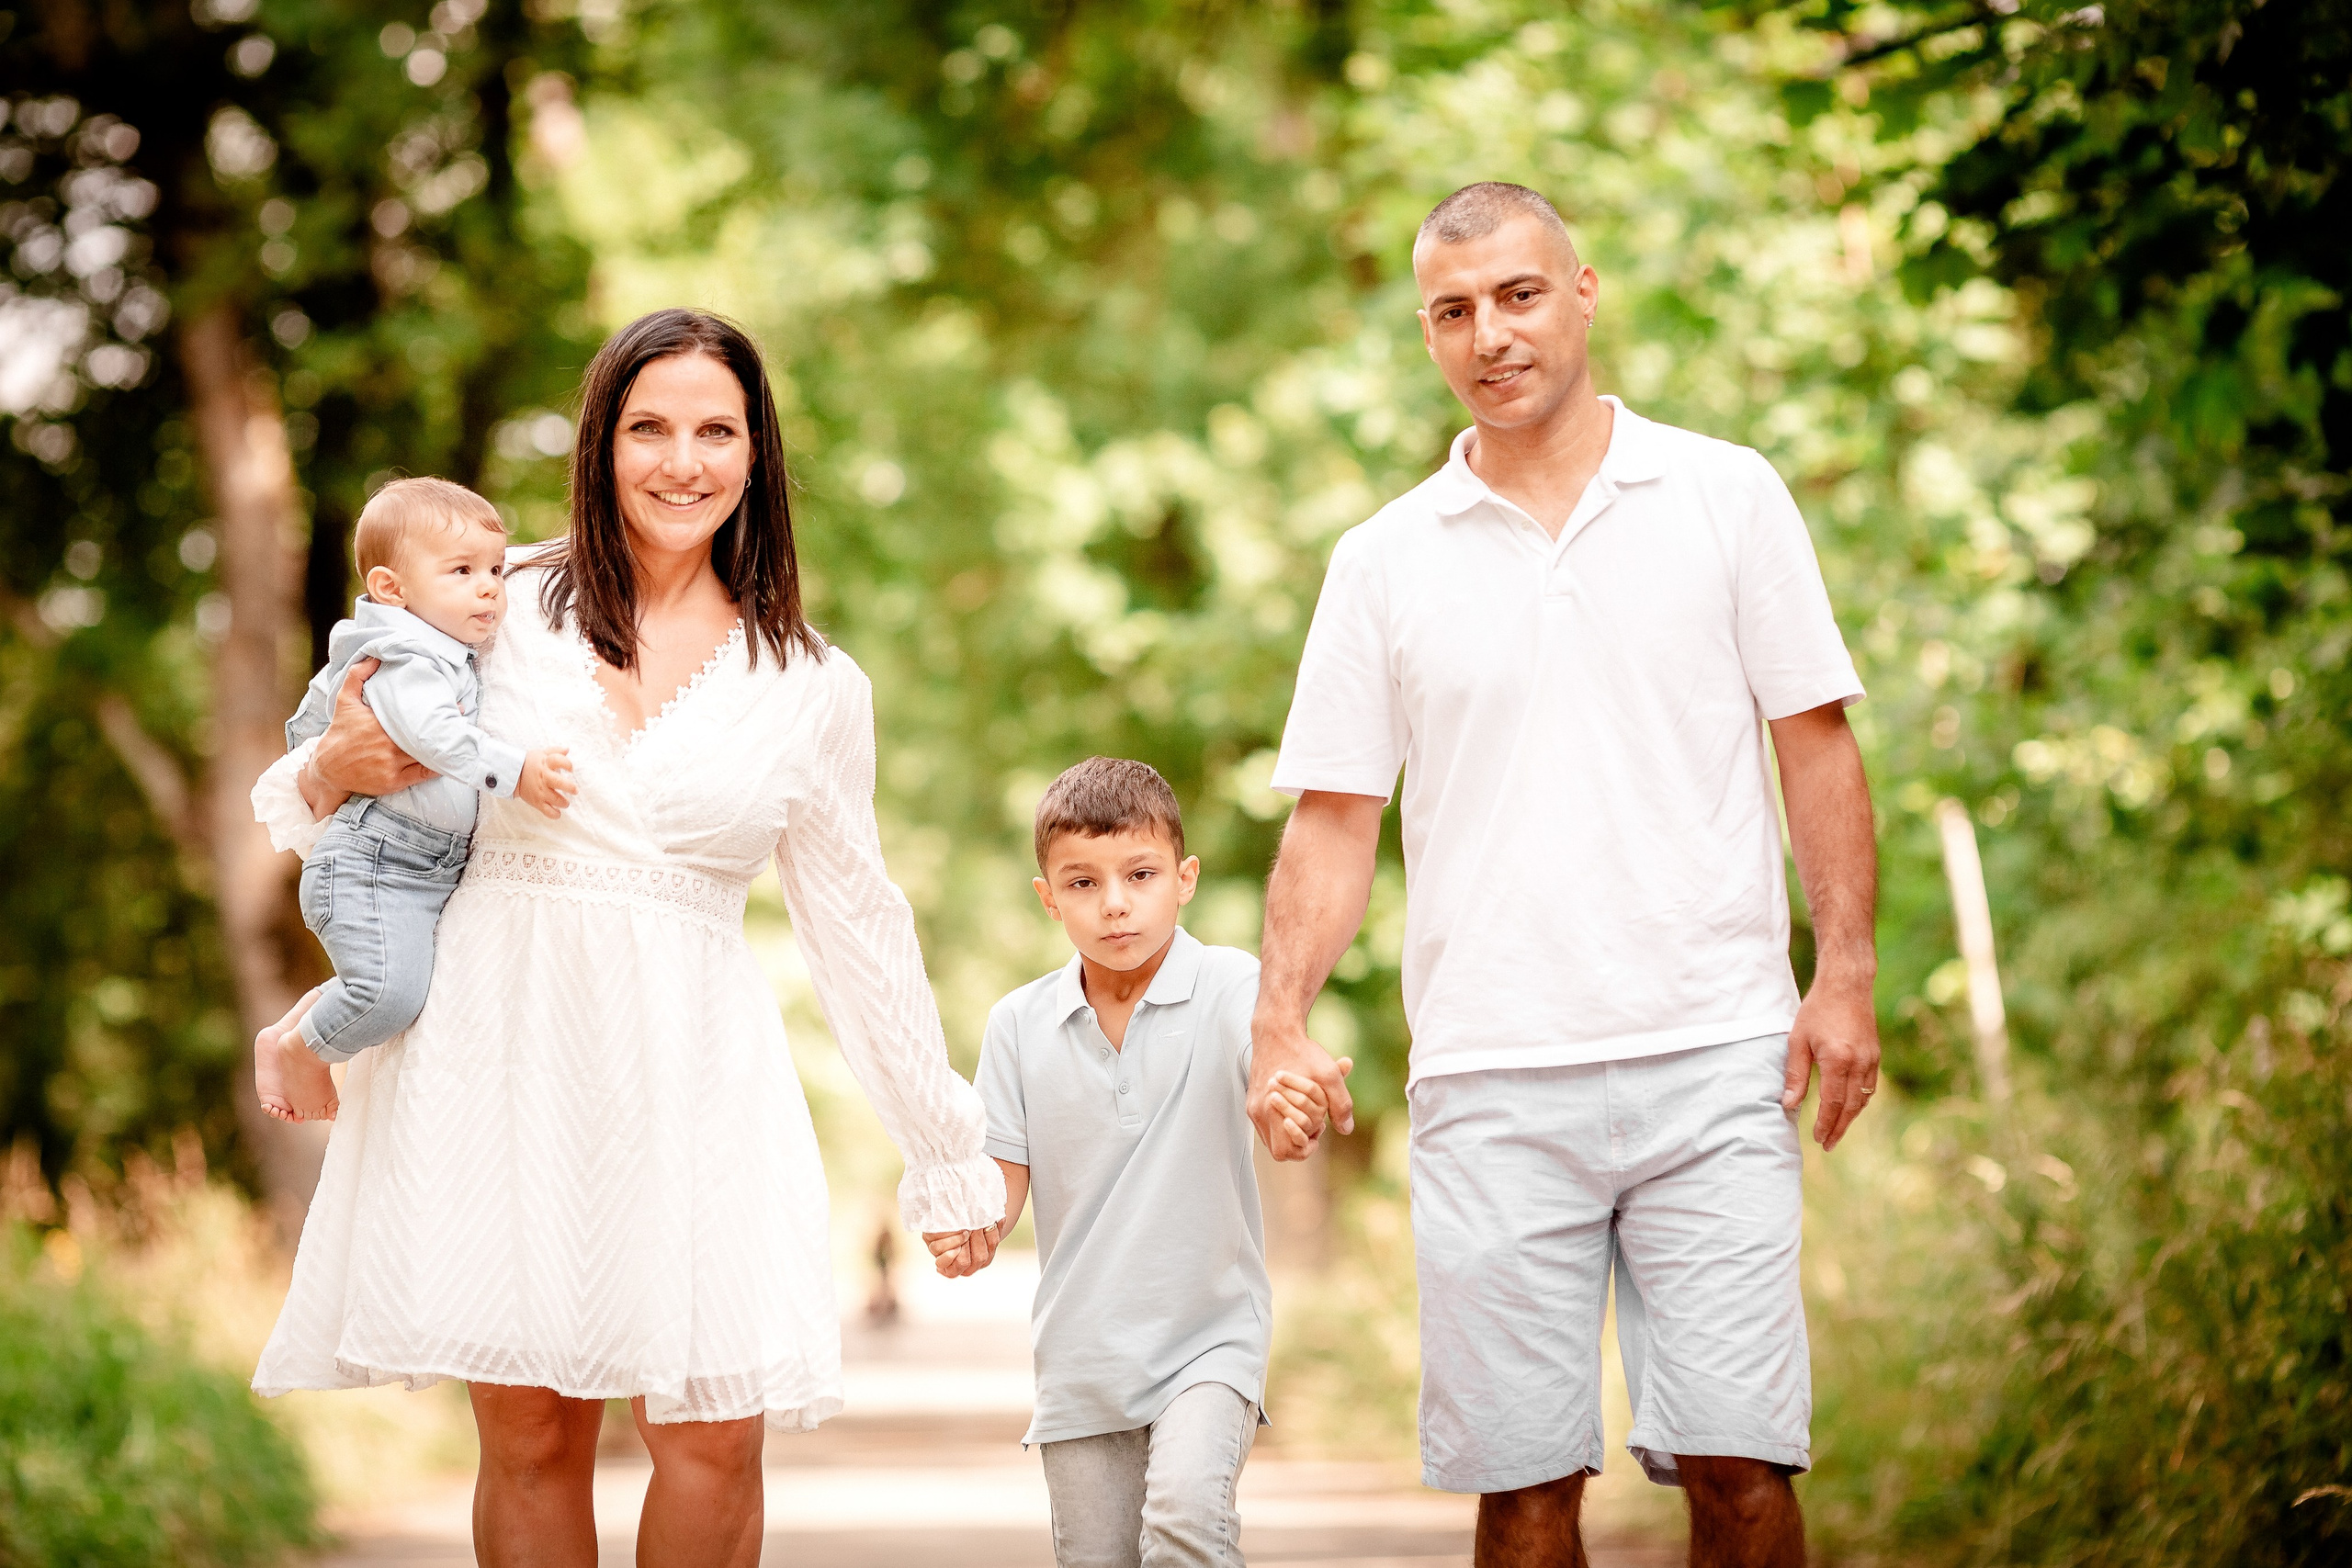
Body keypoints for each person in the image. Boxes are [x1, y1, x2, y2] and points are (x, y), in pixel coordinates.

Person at [245, 309, 1003, 1568]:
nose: (681, 461)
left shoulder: (813, 684)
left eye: (717, 431)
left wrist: (943, 1148)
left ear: (757, 453)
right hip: (498, 1049)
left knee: (714, 1437)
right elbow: (324, 767)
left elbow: (858, 926)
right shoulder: (492, 602)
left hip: (696, 1071)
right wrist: (332, 765)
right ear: (600, 444)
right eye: (648, 428)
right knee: (533, 1437)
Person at [1250, 183, 1881, 1568]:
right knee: (1524, 1493)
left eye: (1519, 295)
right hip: (1489, 1076)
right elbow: (1335, 819)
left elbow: (1816, 744)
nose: (1491, 335)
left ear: (1582, 293)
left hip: (1714, 1055)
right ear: (1429, 332)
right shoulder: (1381, 560)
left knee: (1741, 1465)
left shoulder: (1726, 494)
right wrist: (1278, 1016)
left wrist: (1844, 973)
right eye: (1453, 311)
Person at [923, 757, 1329, 1568]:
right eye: (1082, 882)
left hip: (1209, 1341)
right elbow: (1003, 1175)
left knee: (1185, 1524)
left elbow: (1270, 1077)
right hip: (1082, 1356)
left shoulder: (1230, 984)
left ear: (1184, 879)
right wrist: (974, 1227)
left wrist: (1290, 1111)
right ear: (1048, 897)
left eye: (1140, 874)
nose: (1114, 902)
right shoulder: (1017, 1023)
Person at [253, 477, 578, 1125]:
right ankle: (303, 1050)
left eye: (495, 569)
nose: (490, 587)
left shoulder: (441, 645)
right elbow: (431, 734)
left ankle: (291, 1030)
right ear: (391, 588)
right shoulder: (407, 656)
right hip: (378, 859)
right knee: (390, 993)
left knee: (398, 981)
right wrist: (516, 771)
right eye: (462, 571)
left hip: (420, 864)